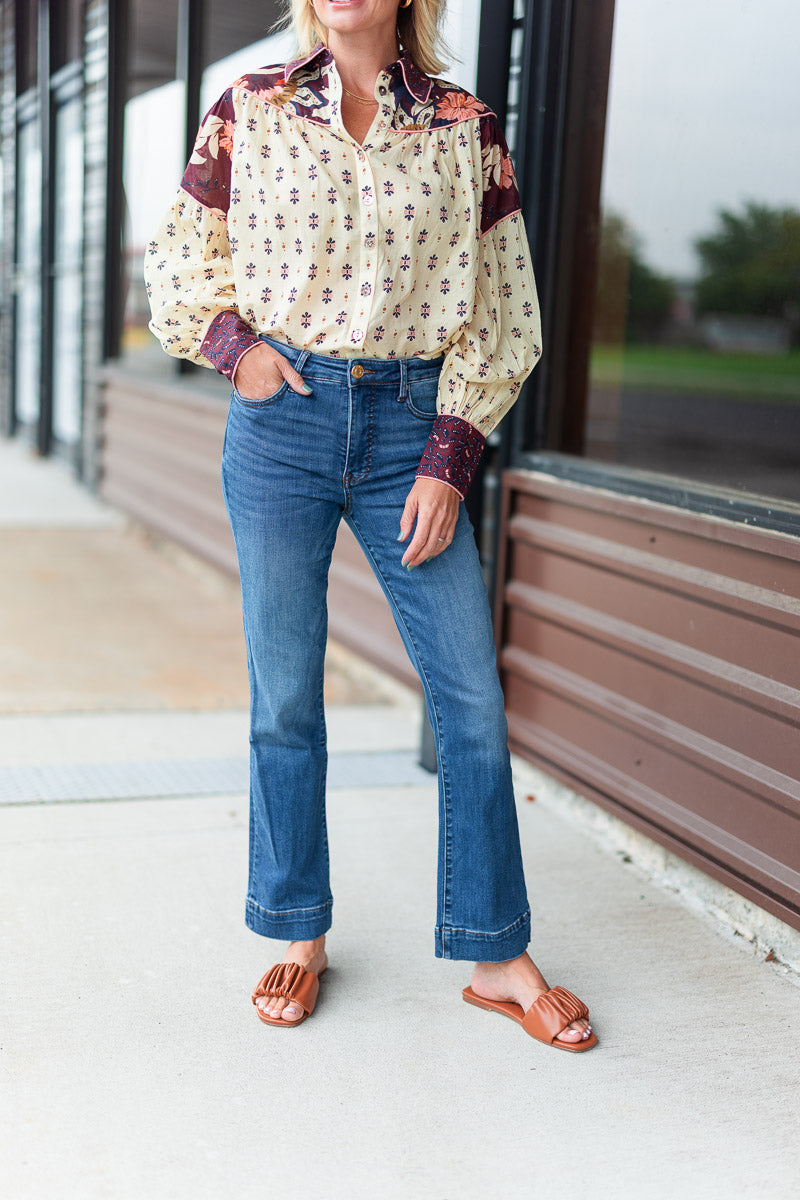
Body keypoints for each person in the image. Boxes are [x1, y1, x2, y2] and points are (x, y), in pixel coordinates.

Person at [145, 0, 597, 1052]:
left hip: (409, 425)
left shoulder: (463, 127)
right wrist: (238, 351)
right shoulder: (246, 111)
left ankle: (494, 951)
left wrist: (450, 454)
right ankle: (296, 933)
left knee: (470, 701)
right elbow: (178, 264)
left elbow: (504, 308)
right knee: (285, 698)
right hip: (281, 424)